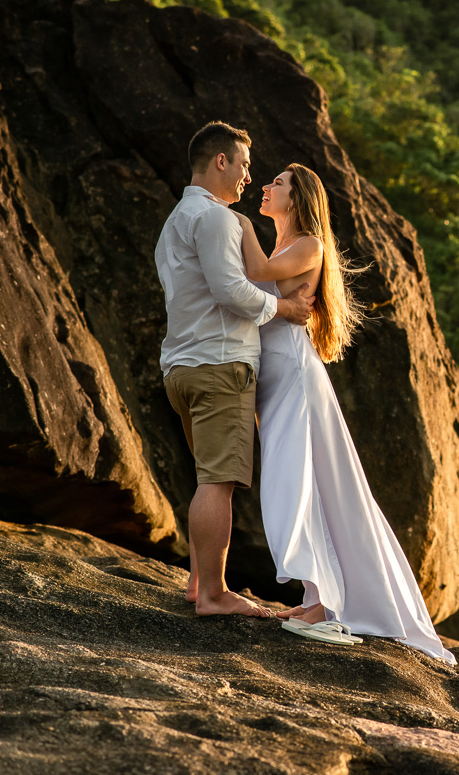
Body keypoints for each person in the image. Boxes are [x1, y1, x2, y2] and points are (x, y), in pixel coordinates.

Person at [237, 162, 456, 663]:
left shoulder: (308, 244)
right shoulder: (284, 245)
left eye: (277, 184)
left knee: (299, 482)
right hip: (277, 380)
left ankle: (322, 602)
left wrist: (239, 224)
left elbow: (257, 276)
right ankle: (317, 597)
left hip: (294, 375)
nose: (267, 188)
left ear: (298, 199)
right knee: (302, 483)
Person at [156, 122, 314, 618]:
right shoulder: (218, 219)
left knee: (207, 474)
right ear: (220, 161)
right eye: (244, 164)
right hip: (219, 364)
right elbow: (233, 292)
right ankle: (213, 594)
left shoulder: (176, 220)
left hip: (180, 366)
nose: (250, 175)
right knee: (218, 480)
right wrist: (286, 311)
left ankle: (198, 582)